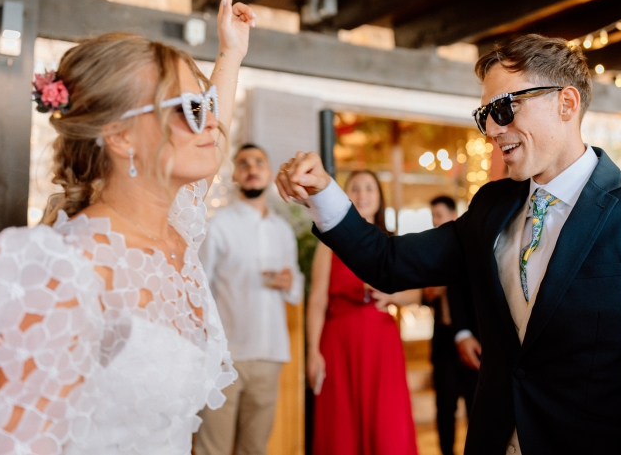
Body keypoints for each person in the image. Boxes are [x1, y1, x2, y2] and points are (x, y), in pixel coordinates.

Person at [275, 34, 621, 454]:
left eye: (504, 109)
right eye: (484, 116)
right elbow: (389, 262)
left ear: (567, 103)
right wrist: (323, 194)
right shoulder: (493, 207)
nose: (492, 131)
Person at [0, 0, 254, 454]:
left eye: (208, 103)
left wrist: (230, 55)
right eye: (190, 108)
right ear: (121, 137)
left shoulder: (174, 229)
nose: (209, 120)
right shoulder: (64, 271)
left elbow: (215, 127)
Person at [195, 143, 304, 455]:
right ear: (236, 175)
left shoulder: (284, 230)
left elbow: (295, 287)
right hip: (225, 355)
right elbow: (200, 286)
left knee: (255, 448)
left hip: (270, 354)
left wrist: (289, 281)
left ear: (269, 174)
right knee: (212, 448)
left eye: (259, 162)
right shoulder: (218, 225)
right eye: (244, 163)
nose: (252, 168)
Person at [306, 169, 418, 455]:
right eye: (355, 188)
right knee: (341, 426)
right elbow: (317, 299)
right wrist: (313, 351)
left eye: (369, 188)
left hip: (382, 342)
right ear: (344, 197)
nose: (362, 194)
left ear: (380, 198)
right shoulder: (328, 241)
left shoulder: (392, 241)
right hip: (339, 341)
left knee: (387, 426)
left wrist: (392, 294)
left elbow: (415, 294)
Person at [424, 195, 479, 455]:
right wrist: (428, 293)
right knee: (444, 408)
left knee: (474, 406)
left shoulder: (469, 247)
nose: (436, 221)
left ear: (453, 215)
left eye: (439, 215)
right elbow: (426, 295)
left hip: (473, 341)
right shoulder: (434, 251)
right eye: (433, 215)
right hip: (444, 340)